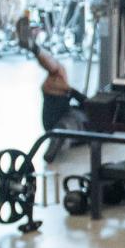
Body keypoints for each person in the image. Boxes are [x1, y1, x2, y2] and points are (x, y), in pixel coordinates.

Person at [33, 35, 87, 163]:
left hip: (61, 120)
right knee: (57, 70)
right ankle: (34, 49)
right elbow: (85, 102)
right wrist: (69, 90)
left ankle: (34, 49)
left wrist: (70, 90)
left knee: (69, 123)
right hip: (59, 113)